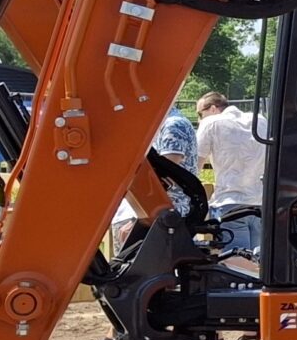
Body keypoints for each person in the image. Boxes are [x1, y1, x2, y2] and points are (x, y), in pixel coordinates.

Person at [112, 103, 200, 247]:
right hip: (156, 215)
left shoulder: (173, 126)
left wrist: (138, 220)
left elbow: (164, 176)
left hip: (164, 216)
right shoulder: (157, 126)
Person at [195, 91, 265, 254]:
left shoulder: (211, 123)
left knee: (236, 259)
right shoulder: (260, 120)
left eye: (200, 114)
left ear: (212, 108)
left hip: (229, 202)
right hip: (261, 202)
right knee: (259, 260)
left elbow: (195, 164)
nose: (199, 120)